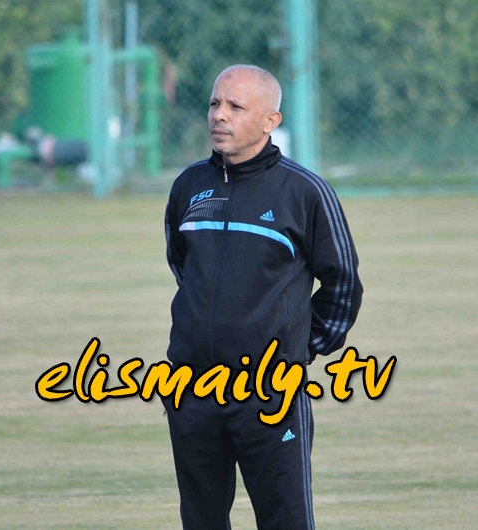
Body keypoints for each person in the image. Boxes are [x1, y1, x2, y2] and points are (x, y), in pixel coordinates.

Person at [164, 64, 363, 530]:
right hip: (192, 387)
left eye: (236, 106)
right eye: (215, 103)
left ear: (271, 121)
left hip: (270, 390)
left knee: (285, 519)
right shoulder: (188, 186)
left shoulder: (306, 192)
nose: (220, 115)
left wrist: (299, 345)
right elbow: (182, 265)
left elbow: (343, 283)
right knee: (201, 520)